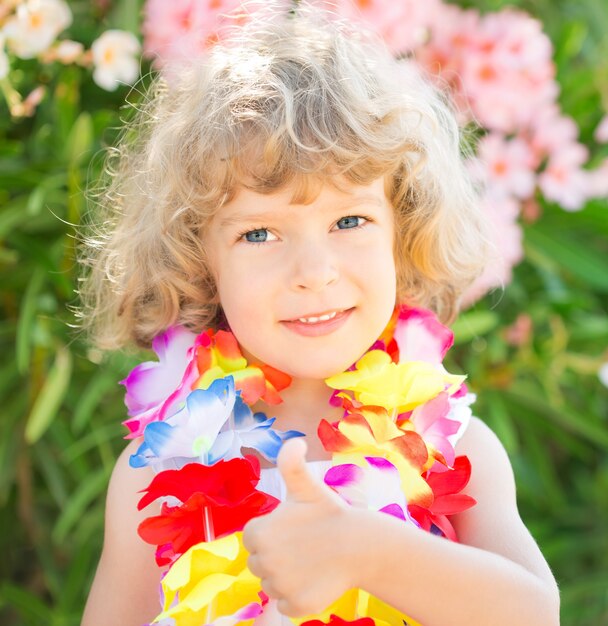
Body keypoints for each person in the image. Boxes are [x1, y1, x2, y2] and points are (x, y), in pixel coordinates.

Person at [79, 4, 560, 626]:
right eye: (259, 234)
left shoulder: (452, 446)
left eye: (350, 220)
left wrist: (373, 554)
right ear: (200, 261)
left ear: (402, 231)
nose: (314, 270)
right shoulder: (163, 465)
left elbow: (535, 614)